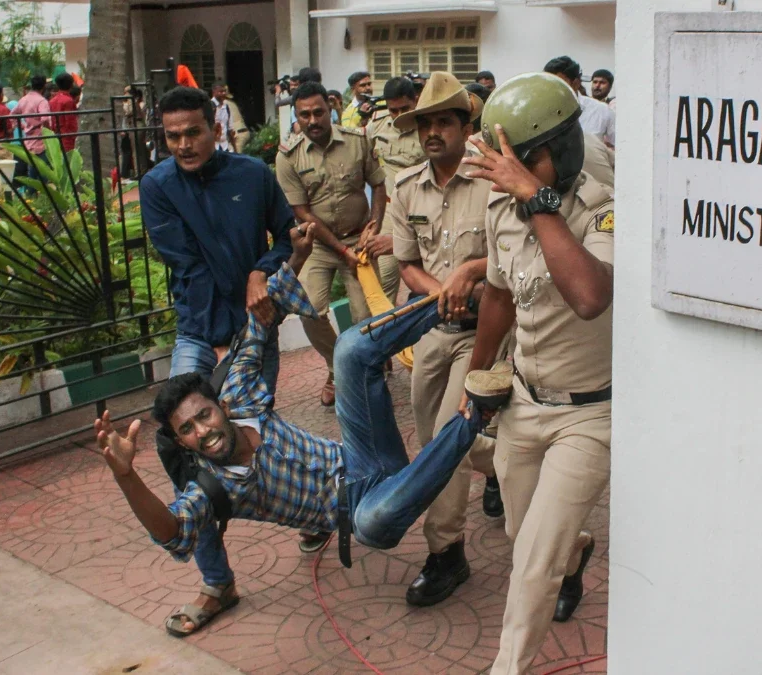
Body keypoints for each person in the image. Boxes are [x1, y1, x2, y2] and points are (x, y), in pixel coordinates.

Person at [93, 234, 516, 638]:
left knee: (349, 350)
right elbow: (173, 531)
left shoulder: (239, 395)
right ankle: (478, 411)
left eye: (203, 416)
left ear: (220, 406)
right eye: (187, 430)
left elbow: (263, 318)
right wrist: (126, 476)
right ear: (182, 442)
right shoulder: (214, 487)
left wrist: (296, 257)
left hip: (363, 453)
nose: (203, 432)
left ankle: (456, 304)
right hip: (361, 508)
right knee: (372, 523)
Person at [461, 72, 614, 674]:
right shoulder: (504, 206)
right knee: (524, 535)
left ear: (559, 150)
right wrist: (476, 382)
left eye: (520, 163)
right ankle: (573, 550)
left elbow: (588, 296)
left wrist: (538, 201)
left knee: (532, 565)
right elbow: (498, 295)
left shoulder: (602, 209)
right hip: (524, 402)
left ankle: (508, 667)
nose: (505, 176)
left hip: (589, 413)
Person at [139, 86, 297, 637]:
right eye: (173, 136)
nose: (184, 144)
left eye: (193, 132)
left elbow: (287, 238)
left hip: (257, 324)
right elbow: (190, 267)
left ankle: (315, 514)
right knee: (187, 449)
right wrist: (226, 347)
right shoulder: (157, 187)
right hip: (202, 333)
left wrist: (261, 271)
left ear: (217, 128)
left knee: (258, 441)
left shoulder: (253, 175)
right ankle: (216, 582)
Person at [386, 72, 506, 607]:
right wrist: (444, 290)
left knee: (443, 443)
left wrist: (473, 271)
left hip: (485, 331)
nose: (432, 132)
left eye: (442, 121)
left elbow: (517, 251)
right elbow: (406, 263)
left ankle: (446, 554)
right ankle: (501, 463)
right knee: (441, 439)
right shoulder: (407, 187)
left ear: (465, 124)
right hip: (432, 329)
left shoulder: (493, 180)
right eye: (424, 123)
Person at [275, 81, 386, 408]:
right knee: (308, 307)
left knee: (365, 316)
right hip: (318, 246)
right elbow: (301, 212)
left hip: (360, 238)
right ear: (296, 116)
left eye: (318, 112)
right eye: (304, 114)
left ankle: (365, 368)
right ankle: (338, 366)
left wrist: (375, 225)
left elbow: (378, 186)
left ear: (332, 107)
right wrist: (341, 251)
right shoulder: (288, 157)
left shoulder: (358, 142)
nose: (312, 120)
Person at [364, 76, 423, 306]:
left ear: (416, 101)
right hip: (390, 211)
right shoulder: (377, 125)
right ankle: (384, 333)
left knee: (429, 273)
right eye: (393, 110)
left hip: (424, 210)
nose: (398, 116)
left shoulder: (429, 126)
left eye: (405, 109)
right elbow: (363, 158)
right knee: (386, 279)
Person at [543, 56, 615, 149]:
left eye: (558, 84)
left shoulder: (601, 111)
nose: (551, 89)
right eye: (548, 84)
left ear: (576, 83)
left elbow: (622, 145)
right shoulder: (540, 112)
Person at [11, 75, 52, 185]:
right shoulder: (41, 101)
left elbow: (12, 115)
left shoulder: (23, 99)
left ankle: (31, 194)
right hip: (41, 138)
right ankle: (43, 196)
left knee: (32, 170)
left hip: (29, 138)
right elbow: (45, 118)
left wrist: (23, 126)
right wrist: (49, 131)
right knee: (43, 170)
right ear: (44, 86)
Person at [49, 73, 79, 152]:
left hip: (56, 135)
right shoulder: (68, 101)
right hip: (67, 137)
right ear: (71, 84)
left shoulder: (52, 100)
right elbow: (70, 122)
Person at [210, 82, 235, 152]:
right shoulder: (209, 106)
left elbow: (230, 129)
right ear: (214, 92)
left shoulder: (226, 107)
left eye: (224, 91)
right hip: (213, 146)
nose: (223, 93)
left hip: (224, 145)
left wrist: (235, 149)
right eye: (221, 91)